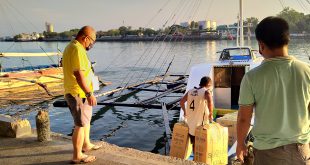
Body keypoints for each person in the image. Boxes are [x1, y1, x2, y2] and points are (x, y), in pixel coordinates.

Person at [237, 16, 310, 165]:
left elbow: (244, 118)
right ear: (287, 40)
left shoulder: (252, 77)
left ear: (261, 45)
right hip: (302, 151)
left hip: (268, 154)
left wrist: (240, 144)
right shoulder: (306, 71)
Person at [62, 26, 102, 164]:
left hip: (77, 91)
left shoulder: (71, 46)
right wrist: (89, 93)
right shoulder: (77, 49)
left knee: (86, 121)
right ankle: (77, 155)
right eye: (92, 41)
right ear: (85, 38)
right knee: (80, 124)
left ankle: (86, 144)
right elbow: (78, 74)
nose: (92, 44)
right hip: (78, 93)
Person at [180, 76, 213, 152]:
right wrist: (211, 114)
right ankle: (198, 160)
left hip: (190, 123)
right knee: (201, 146)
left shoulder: (190, 91)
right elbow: (210, 103)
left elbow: (181, 102)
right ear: (208, 84)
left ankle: (195, 158)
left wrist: (185, 111)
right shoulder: (206, 92)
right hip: (200, 124)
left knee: (194, 143)